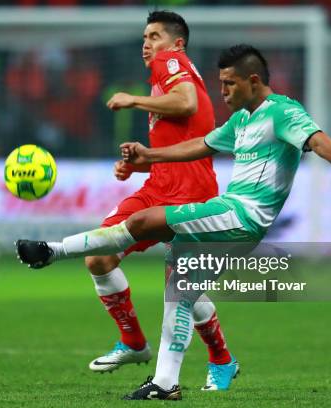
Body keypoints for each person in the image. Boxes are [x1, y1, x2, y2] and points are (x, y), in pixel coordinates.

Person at [16, 44, 331, 400]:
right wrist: (150, 155)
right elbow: (201, 145)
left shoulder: (283, 111)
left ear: (254, 81)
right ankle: (166, 383)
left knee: (145, 220)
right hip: (235, 220)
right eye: (221, 82)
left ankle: (51, 251)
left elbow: (319, 140)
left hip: (241, 214)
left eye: (230, 83)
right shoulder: (242, 119)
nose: (223, 91)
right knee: (179, 288)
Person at [81, 10, 236, 387]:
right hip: (161, 187)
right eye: (144, 37)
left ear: (177, 42)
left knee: (181, 287)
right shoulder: (164, 74)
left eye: (154, 36)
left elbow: (187, 105)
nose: (146, 43)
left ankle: (219, 360)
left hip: (191, 193)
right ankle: (134, 342)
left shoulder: (172, 62)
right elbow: (183, 134)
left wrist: (131, 100)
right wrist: (141, 165)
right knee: (99, 256)